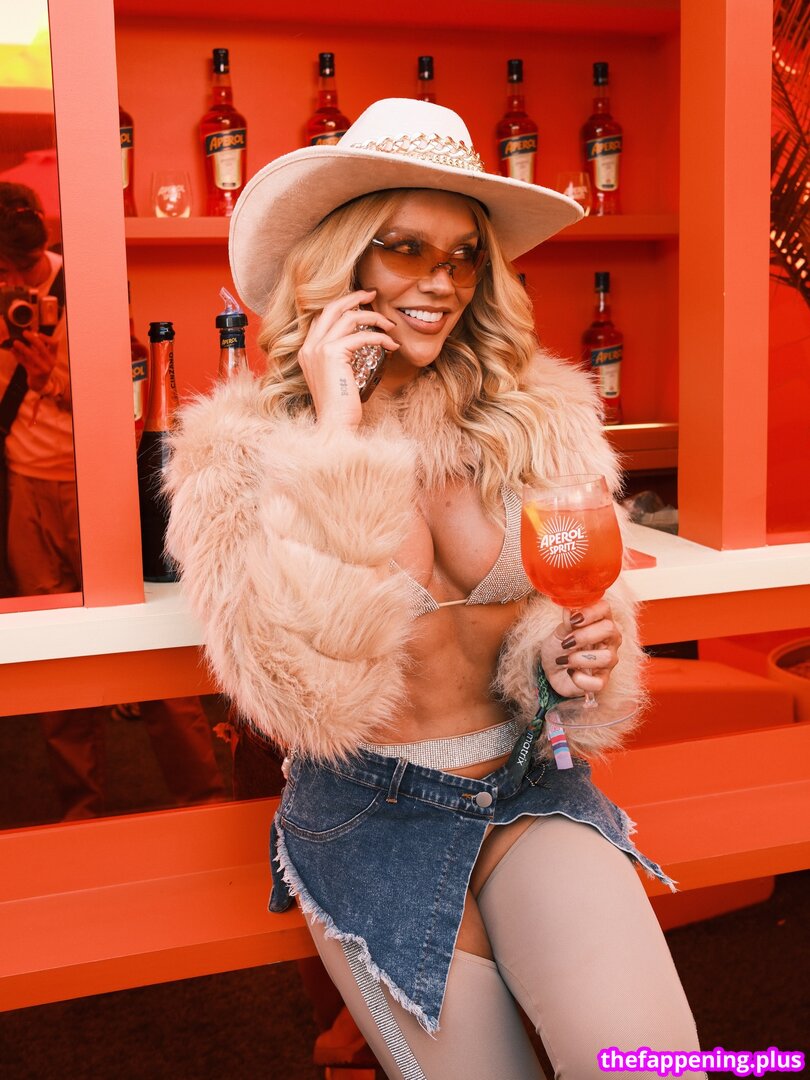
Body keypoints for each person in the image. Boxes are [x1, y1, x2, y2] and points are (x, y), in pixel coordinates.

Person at [165, 99, 703, 1079]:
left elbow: (583, 601)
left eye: (462, 256)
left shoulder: (535, 418)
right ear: (344, 259)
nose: (442, 281)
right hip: (370, 813)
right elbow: (303, 696)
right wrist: (336, 436)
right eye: (407, 248)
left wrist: (568, 655)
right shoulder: (240, 451)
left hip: (529, 785)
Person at [0, 181, 225, 822]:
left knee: (146, 642)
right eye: (8, 271)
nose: (18, 281)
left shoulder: (88, 284)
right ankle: (80, 812)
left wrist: (52, 376)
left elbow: (126, 393)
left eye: (24, 268)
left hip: (98, 488)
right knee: (52, 660)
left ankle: (203, 801)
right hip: (25, 486)